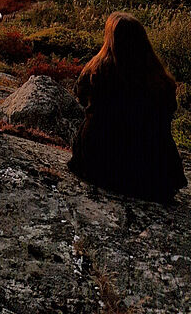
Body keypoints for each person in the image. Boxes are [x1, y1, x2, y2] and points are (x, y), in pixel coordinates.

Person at [69, 12, 187, 203]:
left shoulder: (96, 71)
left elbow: (80, 96)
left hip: (99, 160)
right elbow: (170, 109)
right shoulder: (161, 80)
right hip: (151, 170)